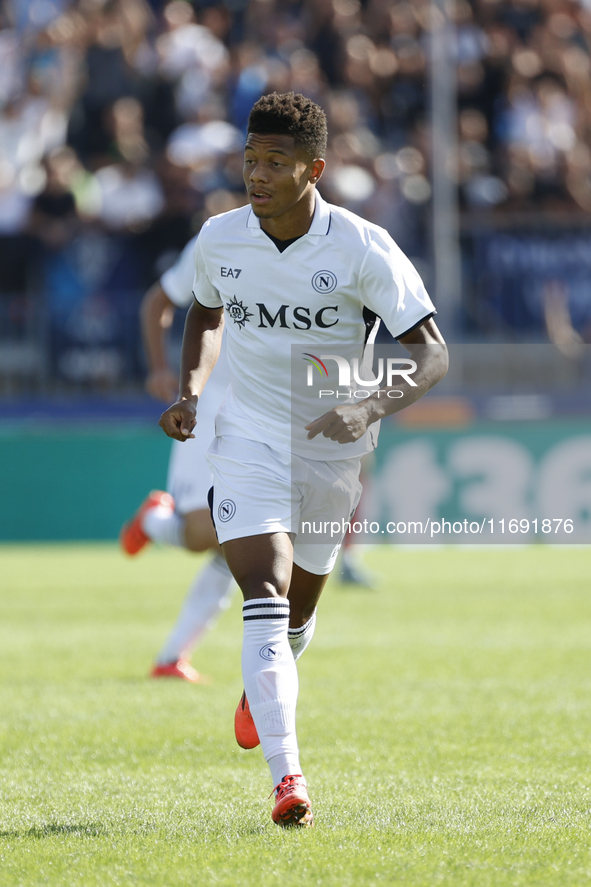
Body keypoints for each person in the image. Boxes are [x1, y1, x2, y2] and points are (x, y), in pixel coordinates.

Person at [159, 92, 448, 827]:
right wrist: (191, 390)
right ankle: (287, 777)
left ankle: (266, 679)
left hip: (333, 445)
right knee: (262, 588)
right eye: (250, 160)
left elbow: (431, 354)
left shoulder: (361, 247)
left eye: (274, 163)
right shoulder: (221, 236)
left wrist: (368, 405)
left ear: (313, 168)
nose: (256, 174)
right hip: (246, 434)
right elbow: (204, 310)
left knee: (295, 615)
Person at [120, 234, 235, 683]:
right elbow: (157, 302)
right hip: (209, 402)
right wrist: (159, 367)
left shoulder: (315, 244)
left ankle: (171, 658)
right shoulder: (217, 241)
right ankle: (155, 520)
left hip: (269, 409)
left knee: (245, 536)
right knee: (201, 535)